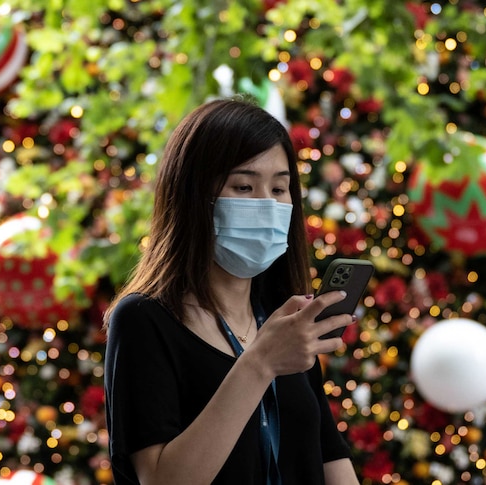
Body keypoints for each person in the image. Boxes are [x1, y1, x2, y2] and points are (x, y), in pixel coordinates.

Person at [103, 98, 360, 485]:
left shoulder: (282, 317)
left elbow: (330, 458)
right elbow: (160, 480)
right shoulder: (144, 320)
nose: (267, 205)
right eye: (243, 186)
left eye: (279, 188)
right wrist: (259, 364)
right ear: (193, 196)